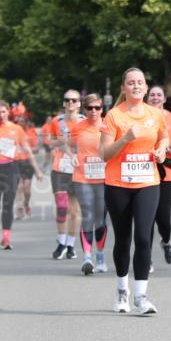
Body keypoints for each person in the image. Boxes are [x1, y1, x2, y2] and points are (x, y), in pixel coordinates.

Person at [99, 68, 169, 314]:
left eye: (140, 82)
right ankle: (121, 290)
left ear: (146, 88)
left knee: (143, 236)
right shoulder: (113, 116)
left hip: (147, 183)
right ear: (123, 88)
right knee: (123, 239)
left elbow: (164, 137)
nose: (136, 86)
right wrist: (125, 138)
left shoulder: (155, 114)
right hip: (118, 185)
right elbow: (104, 154)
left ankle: (141, 295)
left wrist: (161, 149)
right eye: (131, 83)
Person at [0, 100, 42, 249]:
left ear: (8, 112)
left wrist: (37, 169)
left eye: (3, 112)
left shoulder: (16, 129)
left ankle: (6, 238)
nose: (1, 115)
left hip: (10, 168)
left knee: (8, 203)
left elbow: (26, 149)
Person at [146, 85, 171, 268]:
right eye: (152, 95)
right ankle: (146, 259)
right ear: (147, 99)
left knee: (163, 219)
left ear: (163, 99)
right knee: (146, 217)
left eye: (158, 95)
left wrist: (169, 148)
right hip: (144, 173)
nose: (155, 97)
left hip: (165, 175)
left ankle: (166, 241)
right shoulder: (140, 117)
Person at [68, 93, 108, 275]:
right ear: (84, 109)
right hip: (82, 177)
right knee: (87, 215)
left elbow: (117, 148)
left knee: (100, 219)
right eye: (89, 108)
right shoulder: (78, 127)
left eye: (97, 107)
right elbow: (68, 145)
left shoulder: (108, 126)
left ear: (102, 109)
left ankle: (99, 256)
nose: (93, 111)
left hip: (104, 178)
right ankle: (87, 257)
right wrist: (72, 156)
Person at [49, 91, 83, 260]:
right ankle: (61, 242)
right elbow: (49, 142)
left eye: (74, 100)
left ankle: (70, 245)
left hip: (78, 169)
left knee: (75, 211)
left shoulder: (85, 121)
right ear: (64, 103)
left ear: (79, 103)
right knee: (62, 208)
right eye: (67, 100)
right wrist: (58, 142)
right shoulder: (57, 121)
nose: (70, 102)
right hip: (60, 168)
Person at [14, 117, 40, 219]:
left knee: (27, 189)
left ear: (26, 123)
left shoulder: (31, 133)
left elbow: (37, 149)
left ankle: (26, 204)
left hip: (28, 162)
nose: (20, 124)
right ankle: (19, 209)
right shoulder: (13, 134)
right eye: (18, 122)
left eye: (22, 122)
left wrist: (27, 149)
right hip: (16, 162)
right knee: (19, 187)